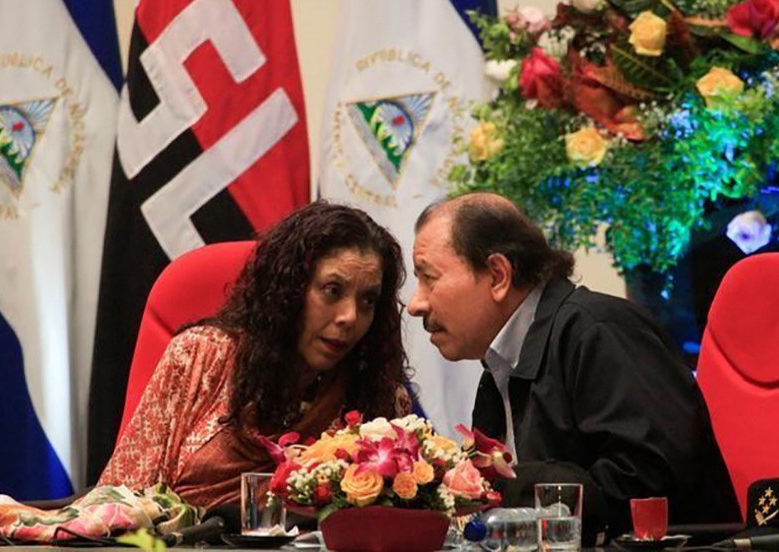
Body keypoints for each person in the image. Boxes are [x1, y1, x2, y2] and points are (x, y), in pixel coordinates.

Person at [407, 192, 740, 542]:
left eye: (429, 277)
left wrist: (510, 486)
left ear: (497, 275)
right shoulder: (498, 366)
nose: (416, 304)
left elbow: (651, 481)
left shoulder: (601, 331)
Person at [97, 200, 412, 507]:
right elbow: (120, 501)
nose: (350, 317)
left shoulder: (379, 402)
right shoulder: (200, 357)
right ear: (290, 291)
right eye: (332, 290)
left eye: (368, 300)